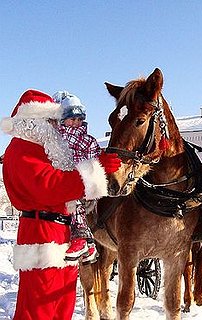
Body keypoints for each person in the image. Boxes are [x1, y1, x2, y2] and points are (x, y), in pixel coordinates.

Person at [0, 89, 121, 320]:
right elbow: (51, 186)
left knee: (61, 308)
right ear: (33, 121)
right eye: (51, 120)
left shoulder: (43, 150)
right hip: (42, 234)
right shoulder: (22, 149)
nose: (57, 127)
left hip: (60, 232)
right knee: (39, 309)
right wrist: (97, 169)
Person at [53, 90, 101, 264]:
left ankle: (80, 238)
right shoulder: (55, 138)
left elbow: (95, 159)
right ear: (62, 120)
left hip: (82, 181)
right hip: (62, 179)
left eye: (79, 119)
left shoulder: (88, 140)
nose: (76, 123)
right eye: (72, 119)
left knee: (74, 200)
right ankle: (89, 245)